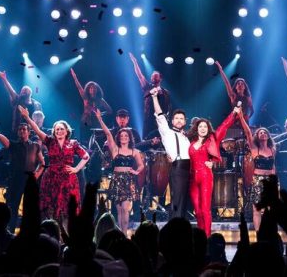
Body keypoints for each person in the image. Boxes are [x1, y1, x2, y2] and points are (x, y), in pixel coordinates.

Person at [19, 107, 89, 223]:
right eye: (57, 129)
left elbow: (86, 156)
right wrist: (27, 117)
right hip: (51, 177)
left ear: (67, 131)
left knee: (67, 208)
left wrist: (76, 169)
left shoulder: (73, 143)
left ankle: (66, 231)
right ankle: (52, 230)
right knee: (51, 207)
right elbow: (37, 130)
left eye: (61, 129)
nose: (59, 131)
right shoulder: (50, 141)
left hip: (68, 178)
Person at [0, 113, 44, 229]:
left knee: (30, 208)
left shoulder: (35, 146)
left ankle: (30, 232)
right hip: (16, 179)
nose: (22, 131)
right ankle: (10, 232)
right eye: (20, 129)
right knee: (13, 207)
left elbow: (42, 163)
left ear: (29, 132)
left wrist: (36, 175)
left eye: (24, 129)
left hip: (30, 180)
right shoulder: (13, 144)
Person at [186, 105, 239, 236]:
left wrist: (233, 113)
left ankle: (207, 237)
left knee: (205, 209)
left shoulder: (212, 139)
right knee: (197, 210)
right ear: (196, 128)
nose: (203, 128)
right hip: (192, 179)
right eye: (200, 126)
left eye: (205, 126)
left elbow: (224, 126)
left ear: (208, 129)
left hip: (205, 176)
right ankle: (201, 236)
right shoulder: (190, 142)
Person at [94, 108, 144, 234]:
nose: (123, 137)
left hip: (128, 180)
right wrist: (99, 119)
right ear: (118, 138)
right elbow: (107, 133)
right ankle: (121, 234)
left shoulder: (134, 151)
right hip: (116, 179)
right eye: (121, 136)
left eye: (126, 136)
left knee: (126, 209)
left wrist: (136, 172)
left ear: (129, 138)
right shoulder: (115, 149)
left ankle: (125, 234)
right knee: (119, 210)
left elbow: (141, 165)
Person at [150, 88, 189, 219]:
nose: (179, 120)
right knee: (177, 200)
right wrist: (154, 97)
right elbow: (160, 116)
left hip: (189, 169)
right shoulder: (167, 132)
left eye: (181, 118)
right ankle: (174, 226)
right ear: (172, 121)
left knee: (185, 202)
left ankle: (182, 225)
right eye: (176, 118)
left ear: (185, 122)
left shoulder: (187, 137)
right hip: (178, 168)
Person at [238, 105, 276, 231]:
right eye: (260, 132)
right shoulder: (254, 149)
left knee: (271, 208)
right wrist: (241, 116)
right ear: (257, 136)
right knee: (257, 209)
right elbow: (248, 132)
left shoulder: (272, 149)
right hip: (258, 180)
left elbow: (273, 166)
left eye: (265, 132)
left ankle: (269, 233)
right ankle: (259, 234)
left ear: (268, 136)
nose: (263, 133)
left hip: (270, 180)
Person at [130, 52, 171, 139]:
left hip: (160, 121)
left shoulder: (165, 92)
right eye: (152, 76)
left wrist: (166, 118)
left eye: (156, 76)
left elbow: (168, 107)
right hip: (148, 120)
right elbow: (140, 75)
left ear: (160, 78)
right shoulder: (147, 87)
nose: (153, 78)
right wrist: (135, 62)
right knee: (147, 140)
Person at [70, 68, 113, 142]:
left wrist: (101, 114)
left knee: (95, 142)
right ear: (88, 89)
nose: (92, 89)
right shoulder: (85, 97)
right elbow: (79, 87)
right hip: (85, 122)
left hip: (96, 124)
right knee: (84, 141)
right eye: (91, 88)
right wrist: (75, 78)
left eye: (94, 88)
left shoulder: (100, 100)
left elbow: (110, 111)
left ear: (97, 89)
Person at [0, 70, 43, 135]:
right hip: (19, 132)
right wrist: (4, 79)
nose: (24, 91)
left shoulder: (37, 104)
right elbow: (11, 90)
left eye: (26, 90)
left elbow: (40, 119)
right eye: (22, 90)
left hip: (33, 132)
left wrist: (38, 130)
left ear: (30, 93)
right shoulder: (17, 100)